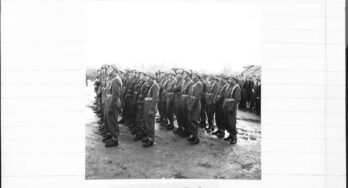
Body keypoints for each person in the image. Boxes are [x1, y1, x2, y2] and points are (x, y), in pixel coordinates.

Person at [103, 64, 123, 147]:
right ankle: (111, 136)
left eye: (110, 68)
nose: (108, 69)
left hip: (113, 102)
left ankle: (115, 139)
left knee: (113, 121)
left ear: (114, 70)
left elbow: (115, 95)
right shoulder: (112, 79)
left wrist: (111, 106)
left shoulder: (116, 80)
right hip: (110, 100)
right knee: (109, 120)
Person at [222, 74, 241, 144]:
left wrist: (232, 107)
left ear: (235, 80)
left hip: (231, 105)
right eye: (229, 79)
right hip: (226, 104)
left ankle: (234, 137)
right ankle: (230, 135)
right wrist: (223, 106)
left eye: (232, 79)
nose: (230, 80)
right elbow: (225, 97)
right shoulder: (227, 86)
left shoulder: (236, 87)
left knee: (231, 122)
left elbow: (237, 99)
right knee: (227, 121)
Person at [143, 72, 160, 147]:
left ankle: (151, 139)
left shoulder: (155, 85)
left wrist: (151, 109)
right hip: (147, 105)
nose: (146, 78)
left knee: (151, 123)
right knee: (147, 122)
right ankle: (148, 135)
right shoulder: (149, 84)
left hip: (151, 106)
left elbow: (155, 98)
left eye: (148, 76)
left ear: (151, 77)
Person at [187, 71, 203, 144]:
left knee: (194, 121)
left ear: (197, 76)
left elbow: (197, 97)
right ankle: (192, 135)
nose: (192, 76)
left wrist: (192, 106)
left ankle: (196, 137)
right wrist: (189, 104)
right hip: (191, 103)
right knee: (190, 120)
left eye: (194, 75)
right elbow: (190, 95)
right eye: (192, 75)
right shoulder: (194, 84)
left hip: (195, 105)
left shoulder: (199, 84)